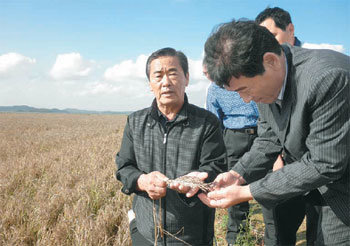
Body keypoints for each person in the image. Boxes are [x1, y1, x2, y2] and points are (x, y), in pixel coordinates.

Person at [198, 20, 350, 246]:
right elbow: (269, 137)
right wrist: (237, 175)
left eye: (244, 90)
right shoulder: (267, 81)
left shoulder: (327, 78)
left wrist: (247, 192)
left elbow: (324, 163)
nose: (246, 99)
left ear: (270, 61)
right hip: (323, 189)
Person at [115, 47, 226, 245]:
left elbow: (216, 167)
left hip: (192, 236)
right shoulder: (135, 122)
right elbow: (124, 168)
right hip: (146, 232)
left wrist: (194, 182)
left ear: (187, 78)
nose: (166, 82)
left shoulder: (207, 123)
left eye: (173, 74)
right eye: (158, 76)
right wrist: (142, 181)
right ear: (150, 83)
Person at [256, 7, 320, 245]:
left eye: (271, 36)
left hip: (322, 171)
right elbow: (269, 130)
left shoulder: (317, 71)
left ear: (290, 30)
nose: (266, 45)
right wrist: (275, 159)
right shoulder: (263, 74)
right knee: (279, 231)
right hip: (282, 166)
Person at [204, 66, 259, 245]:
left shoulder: (250, 79)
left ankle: (275, 238)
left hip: (263, 136)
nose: (209, 76)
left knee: (268, 188)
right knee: (235, 189)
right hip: (233, 138)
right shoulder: (213, 90)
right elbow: (215, 120)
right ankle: (236, 240)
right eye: (206, 73)